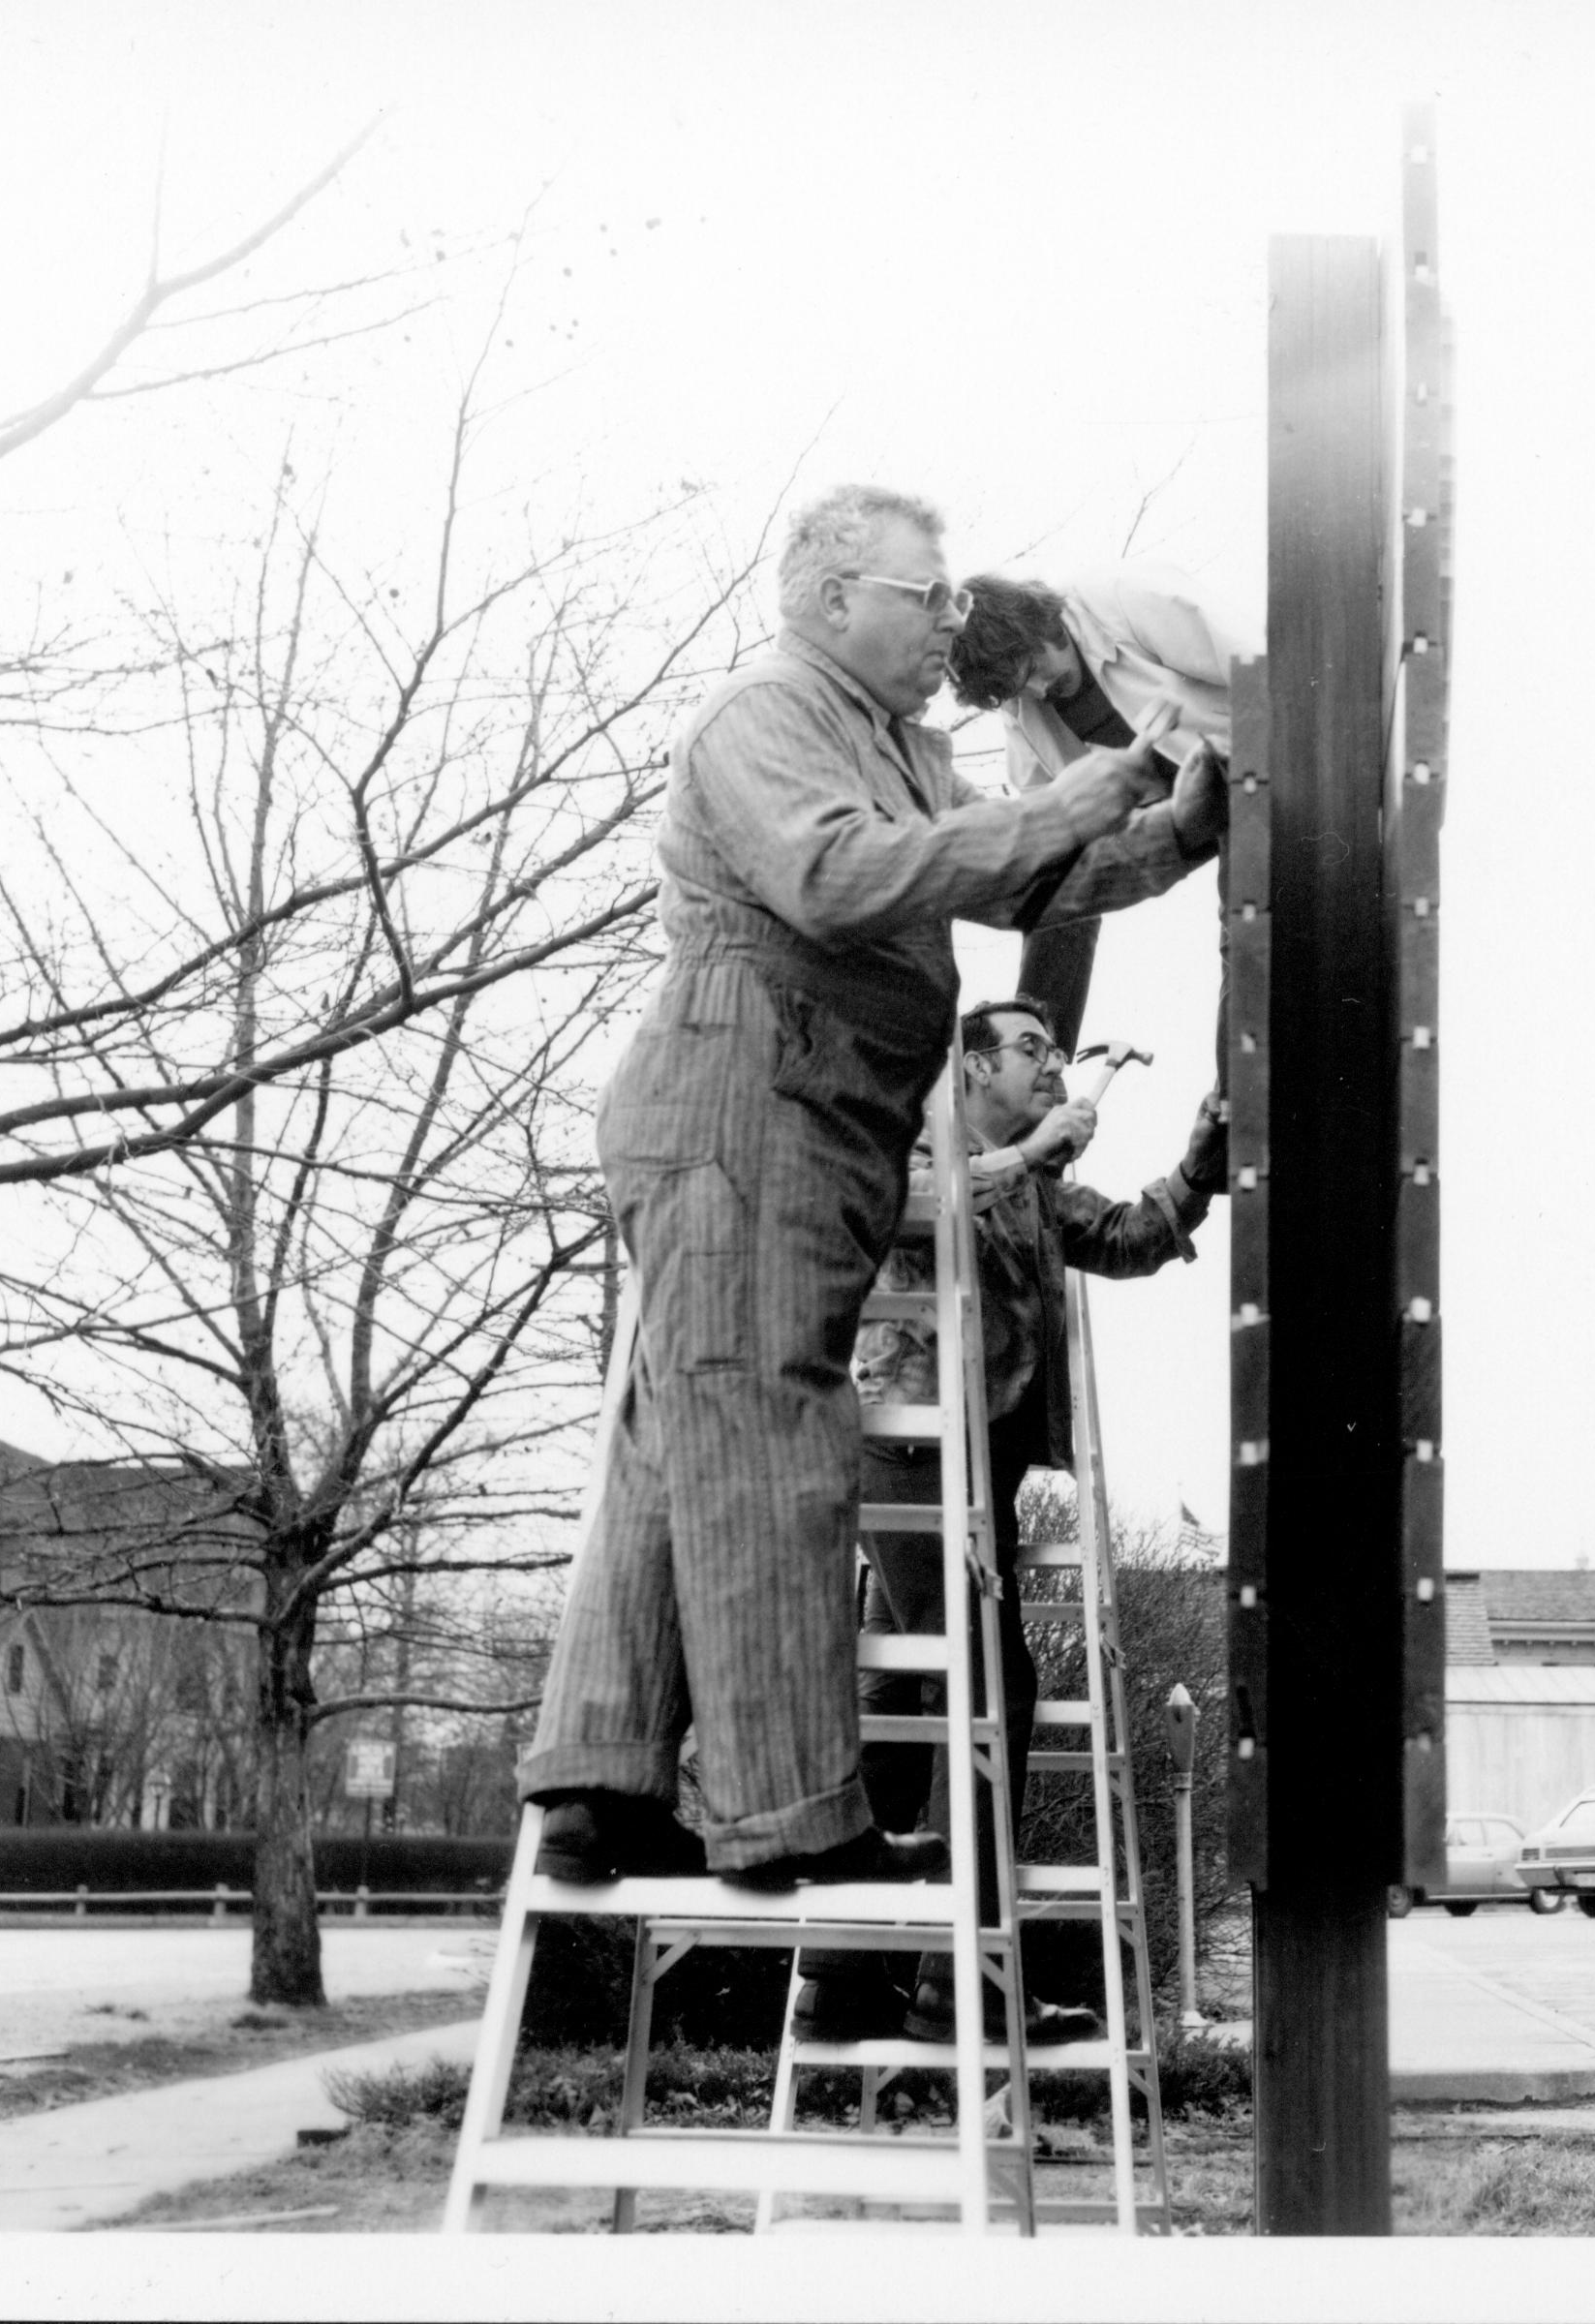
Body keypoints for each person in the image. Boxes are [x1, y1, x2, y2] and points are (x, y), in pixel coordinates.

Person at [517, 485, 1225, 1889]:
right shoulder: (763, 718)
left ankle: (602, 1780)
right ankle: (790, 1821)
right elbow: (837, 880)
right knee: (771, 1438)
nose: (953, 620)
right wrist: (1077, 791)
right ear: (834, 599)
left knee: (684, 1436)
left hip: (815, 1114)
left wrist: (1177, 823)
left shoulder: (897, 745)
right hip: (746, 1098)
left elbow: (1033, 879)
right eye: (930, 597)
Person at [790, 996, 1228, 2045]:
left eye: (1056, 1052)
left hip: (979, 1464)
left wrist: (1201, 1167)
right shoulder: (919, 1139)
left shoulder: (1032, 1190)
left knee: (904, 1688)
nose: (1052, 1065)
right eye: (1031, 1050)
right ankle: (963, 1981)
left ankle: (844, 1983)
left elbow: (1128, 1236)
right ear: (972, 1069)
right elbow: (908, 1209)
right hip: (903, 1449)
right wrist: (1032, 1149)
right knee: (996, 1678)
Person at [945, 566, 1246, 1055]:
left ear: (1031, 627)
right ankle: (1038, 1057)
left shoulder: (1125, 603)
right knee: (1055, 892)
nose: (1039, 692)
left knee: (1243, 931)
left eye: (1033, 672)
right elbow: (1044, 830)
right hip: (1160, 817)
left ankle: (1229, 1105)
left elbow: (1256, 661)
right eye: (1021, 691)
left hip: (1240, 767)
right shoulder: (1023, 711)